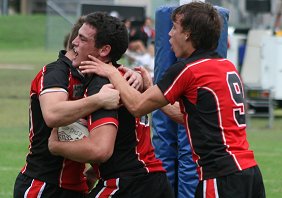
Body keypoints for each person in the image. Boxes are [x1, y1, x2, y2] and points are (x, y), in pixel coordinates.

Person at [79, 2, 266, 198]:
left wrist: (111, 72)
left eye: (174, 28)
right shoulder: (226, 66)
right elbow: (188, 116)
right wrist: (150, 89)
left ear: (188, 34)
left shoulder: (188, 69)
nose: (169, 34)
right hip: (249, 171)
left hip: (222, 175)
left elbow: (136, 106)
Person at [13, 14, 143, 197]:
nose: (75, 42)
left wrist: (132, 75)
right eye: (78, 37)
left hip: (78, 186)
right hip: (43, 184)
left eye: (82, 39)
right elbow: (52, 114)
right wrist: (98, 100)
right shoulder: (55, 73)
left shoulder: (94, 75)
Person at [48, 11, 174, 198]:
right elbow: (126, 142)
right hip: (154, 182)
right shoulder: (124, 76)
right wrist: (94, 172)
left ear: (104, 50)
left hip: (128, 184)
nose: (74, 42)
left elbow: (100, 150)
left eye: (82, 39)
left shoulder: (102, 84)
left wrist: (55, 146)